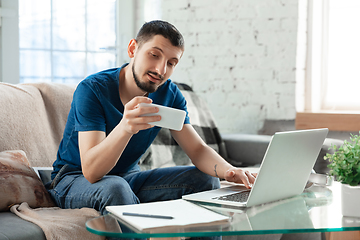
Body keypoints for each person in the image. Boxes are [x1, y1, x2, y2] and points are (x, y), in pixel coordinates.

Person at [47, 20, 256, 217]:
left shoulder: (169, 95)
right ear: (132, 49)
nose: (161, 70)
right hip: (73, 180)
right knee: (115, 188)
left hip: (127, 178)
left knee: (206, 179)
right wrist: (125, 128)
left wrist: (229, 170)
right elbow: (92, 172)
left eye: (171, 63)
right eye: (154, 55)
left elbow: (197, 150)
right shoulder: (93, 89)